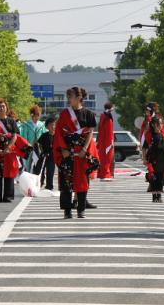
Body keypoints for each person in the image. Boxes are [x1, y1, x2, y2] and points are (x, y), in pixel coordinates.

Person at [54, 86, 99, 219]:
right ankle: (67, 210)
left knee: (82, 181)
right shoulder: (64, 114)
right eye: (68, 97)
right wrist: (63, 149)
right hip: (68, 151)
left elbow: (90, 133)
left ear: (79, 98)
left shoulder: (89, 114)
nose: (69, 100)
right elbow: (59, 133)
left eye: (71, 97)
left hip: (82, 152)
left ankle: (81, 209)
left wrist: (85, 149)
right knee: (66, 181)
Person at [0, 98, 31, 203]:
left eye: (3, 106)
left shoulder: (11, 121)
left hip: (10, 149)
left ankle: (8, 196)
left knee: (9, 172)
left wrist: (9, 147)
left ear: (6, 108)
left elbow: (16, 135)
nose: (1, 108)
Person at [20, 105, 47, 172]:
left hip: (39, 148)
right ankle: (28, 180)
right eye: (35, 115)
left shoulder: (42, 125)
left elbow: (44, 136)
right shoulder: (26, 125)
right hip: (29, 147)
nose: (37, 117)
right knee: (27, 165)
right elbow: (24, 137)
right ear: (32, 115)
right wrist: (26, 146)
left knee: (38, 165)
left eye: (38, 115)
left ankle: (38, 180)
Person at [34, 117, 56, 190]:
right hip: (44, 155)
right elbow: (38, 143)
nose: (53, 127)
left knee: (50, 171)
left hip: (53, 156)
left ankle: (49, 186)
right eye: (51, 125)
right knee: (40, 170)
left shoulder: (57, 136)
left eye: (54, 125)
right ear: (47, 127)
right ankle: (40, 183)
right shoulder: (44, 135)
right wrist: (42, 151)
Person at [97, 102, 116, 180]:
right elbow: (108, 132)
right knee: (107, 158)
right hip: (107, 142)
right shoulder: (107, 118)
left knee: (104, 158)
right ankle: (106, 174)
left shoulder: (103, 117)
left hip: (102, 141)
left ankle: (104, 174)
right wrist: (111, 142)